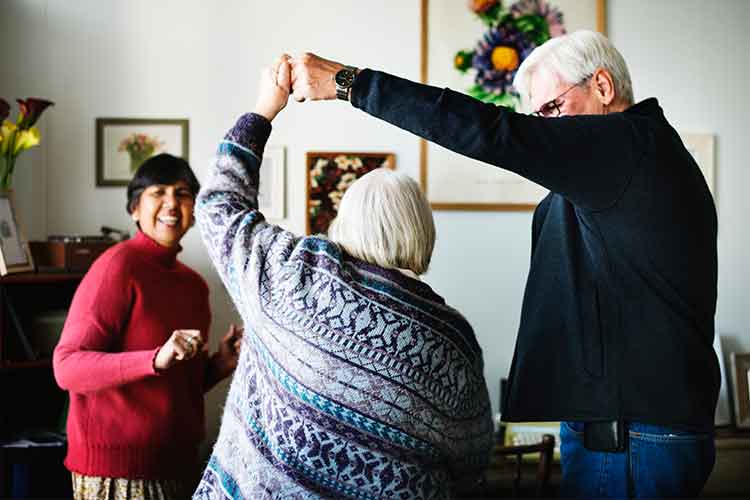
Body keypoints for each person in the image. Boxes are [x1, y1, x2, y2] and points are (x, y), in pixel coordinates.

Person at [290, 29, 719, 498]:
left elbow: (494, 133)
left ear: (602, 86)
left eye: (552, 110)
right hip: (625, 429)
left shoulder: (629, 145)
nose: (545, 127)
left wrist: (350, 83)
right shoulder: (631, 160)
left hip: (632, 437)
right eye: (538, 117)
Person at [192, 56, 494, 499]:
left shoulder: (293, 275)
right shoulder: (452, 340)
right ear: (423, 235)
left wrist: (263, 110)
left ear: (344, 224)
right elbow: (471, 464)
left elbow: (219, 206)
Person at [53, 153, 243, 500]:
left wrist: (220, 365)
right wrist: (154, 358)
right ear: (135, 209)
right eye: (159, 192)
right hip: (118, 473)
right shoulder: (117, 267)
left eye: (183, 193)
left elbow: (175, 387)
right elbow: (67, 368)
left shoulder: (194, 285)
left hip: (179, 465)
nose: (172, 202)